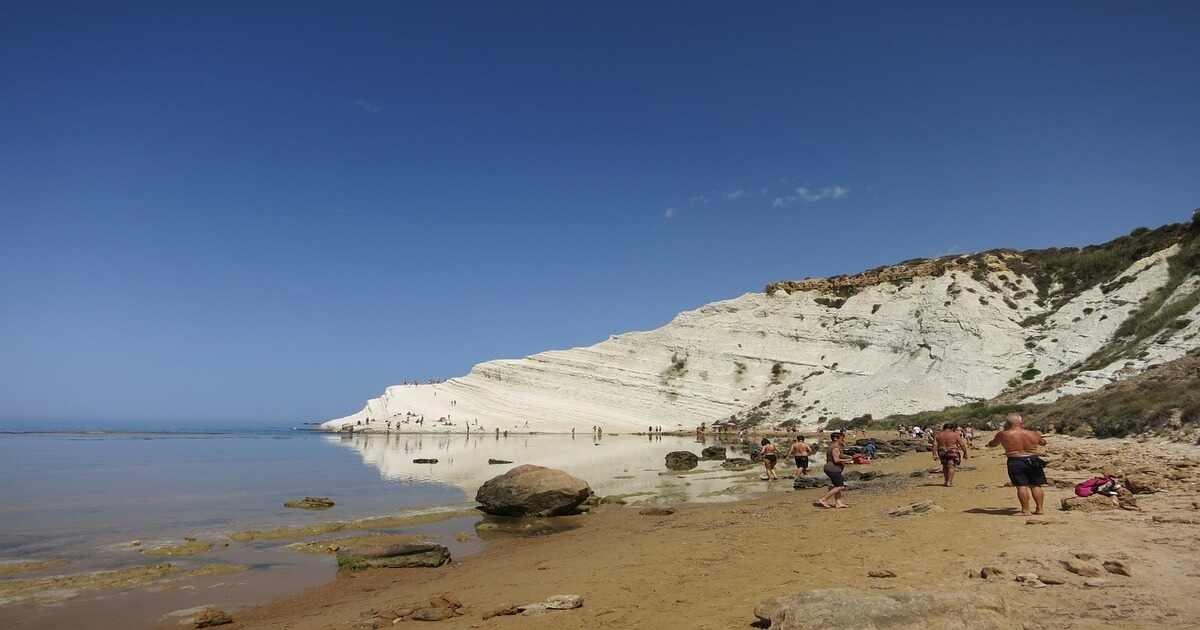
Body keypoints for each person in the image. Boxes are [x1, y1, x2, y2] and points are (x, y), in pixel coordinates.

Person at [987, 413, 1048, 516]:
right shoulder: (1033, 433)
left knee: (1021, 485)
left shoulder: (1003, 434)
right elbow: (1043, 442)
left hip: (1016, 460)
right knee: (1036, 485)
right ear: (1021, 422)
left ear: (1007, 423)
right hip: (1033, 459)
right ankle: (1040, 509)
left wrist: (989, 444)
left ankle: (1026, 510)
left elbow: (993, 444)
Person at [816, 432, 849, 508]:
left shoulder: (834, 446)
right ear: (835, 438)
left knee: (837, 486)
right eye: (842, 438)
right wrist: (848, 460)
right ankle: (823, 499)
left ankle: (838, 503)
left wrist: (849, 457)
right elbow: (836, 460)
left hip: (832, 469)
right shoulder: (835, 447)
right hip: (833, 469)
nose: (843, 440)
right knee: (840, 486)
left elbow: (840, 456)